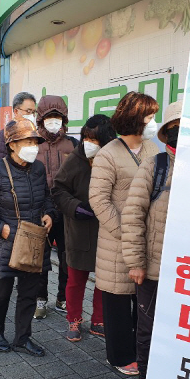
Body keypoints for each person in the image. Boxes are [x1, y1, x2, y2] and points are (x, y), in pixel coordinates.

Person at [89, 91, 160, 376]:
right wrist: (125, 231)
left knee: (141, 302)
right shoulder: (109, 154)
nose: (153, 122)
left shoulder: (153, 150)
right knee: (117, 300)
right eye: (150, 116)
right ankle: (119, 356)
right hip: (116, 240)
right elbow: (98, 199)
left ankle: (140, 350)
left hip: (147, 239)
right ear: (136, 118)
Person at [0, 119, 55, 357]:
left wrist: (49, 214)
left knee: (29, 293)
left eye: (35, 142)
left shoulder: (38, 168)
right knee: (1, 294)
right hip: (6, 242)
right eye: (27, 142)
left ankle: (23, 338)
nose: (33, 146)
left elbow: (46, 197)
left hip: (33, 241)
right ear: (12, 145)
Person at [121, 100, 182, 379]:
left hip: (189, 274)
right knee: (148, 328)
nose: (182, 135)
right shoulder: (154, 166)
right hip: (154, 270)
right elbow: (132, 215)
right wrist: (136, 262)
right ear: (167, 133)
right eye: (176, 128)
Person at [52, 114, 116, 341]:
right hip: (78, 230)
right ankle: (74, 319)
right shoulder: (75, 159)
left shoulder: (113, 158)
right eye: (87, 137)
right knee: (76, 279)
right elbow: (58, 190)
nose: (90, 143)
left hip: (107, 230)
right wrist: (76, 207)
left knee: (105, 279)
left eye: (96, 139)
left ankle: (98, 320)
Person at [0, 91, 38, 298]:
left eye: (34, 112)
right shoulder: (3, 135)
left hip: (29, 206)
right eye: (28, 111)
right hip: (6, 206)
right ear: (16, 111)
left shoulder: (33, 136)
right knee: (1, 256)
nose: (32, 115)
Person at [33, 95, 77, 318]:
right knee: (40, 258)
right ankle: (40, 299)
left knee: (66, 257)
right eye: (49, 117)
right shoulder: (33, 144)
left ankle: (63, 298)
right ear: (41, 119)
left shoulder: (73, 144)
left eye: (57, 117)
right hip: (40, 210)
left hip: (66, 210)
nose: (53, 121)